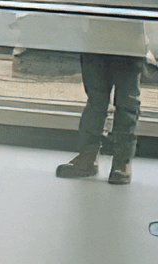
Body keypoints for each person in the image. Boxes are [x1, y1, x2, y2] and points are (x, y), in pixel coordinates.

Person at [56, 51, 144, 184]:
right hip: (106, 38)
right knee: (99, 98)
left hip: (126, 39)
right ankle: (92, 157)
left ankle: (119, 159)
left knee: (125, 100)